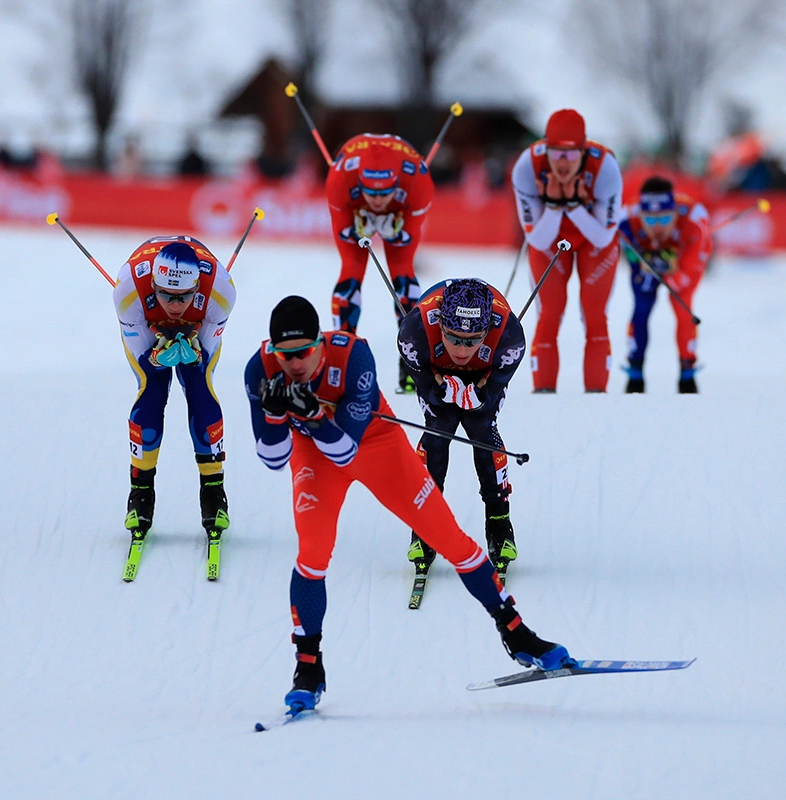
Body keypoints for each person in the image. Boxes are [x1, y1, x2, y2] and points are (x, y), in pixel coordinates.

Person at [244, 295, 570, 712]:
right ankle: (308, 668)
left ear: (320, 343)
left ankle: (518, 635)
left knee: (450, 538)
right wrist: (274, 416)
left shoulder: (352, 356)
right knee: (312, 552)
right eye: (285, 355)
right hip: (314, 456)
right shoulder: (260, 369)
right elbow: (272, 459)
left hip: (374, 445)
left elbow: (346, 449)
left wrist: (310, 416)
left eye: (304, 352)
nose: (294, 364)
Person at [396, 278, 526, 578]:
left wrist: (482, 396)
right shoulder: (414, 333)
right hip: (434, 370)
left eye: (472, 340)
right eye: (453, 337)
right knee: (439, 429)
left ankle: (499, 522)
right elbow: (426, 387)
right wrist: (436, 391)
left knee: (481, 429)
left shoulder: (509, 337)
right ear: (439, 324)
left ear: (488, 330)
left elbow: (493, 391)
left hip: (485, 374)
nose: (462, 349)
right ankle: (424, 524)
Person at [112, 236, 237, 544]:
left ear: (197, 288)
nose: (176, 306)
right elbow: (144, 358)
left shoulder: (221, 292)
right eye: (167, 295)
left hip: (200, 324)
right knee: (152, 387)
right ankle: (140, 493)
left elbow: (205, 350)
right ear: (153, 285)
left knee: (198, 384)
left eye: (185, 296)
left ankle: (213, 493)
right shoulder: (128, 293)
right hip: (145, 320)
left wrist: (195, 349)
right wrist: (155, 356)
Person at [511, 109, 623, 393]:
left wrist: (571, 205)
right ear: (544, 147)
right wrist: (553, 207)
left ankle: (596, 395)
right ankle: (544, 392)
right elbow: (536, 240)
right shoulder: (527, 166)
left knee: (594, 314)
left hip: (593, 241)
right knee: (550, 312)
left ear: (584, 152)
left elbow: (602, 236)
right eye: (556, 153)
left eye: (571, 155)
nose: (563, 162)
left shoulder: (605, 167)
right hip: (550, 242)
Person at [324, 133, 435, 392]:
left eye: (384, 193)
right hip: (353, 207)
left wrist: (396, 232)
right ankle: (343, 357)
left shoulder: (418, 179)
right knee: (351, 270)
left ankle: (412, 363)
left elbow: (411, 232)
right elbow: (341, 231)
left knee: (403, 275)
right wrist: (355, 230)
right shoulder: (340, 177)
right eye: (371, 193)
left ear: (395, 184)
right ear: (360, 183)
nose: (377, 201)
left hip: (401, 209)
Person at [618, 176, 713, 394]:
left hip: (682, 259)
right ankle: (635, 372)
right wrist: (646, 264)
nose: (657, 227)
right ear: (640, 215)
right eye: (650, 221)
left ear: (675, 213)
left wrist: (669, 269)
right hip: (647, 258)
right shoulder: (626, 221)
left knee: (682, 307)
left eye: (663, 220)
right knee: (642, 307)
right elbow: (631, 259)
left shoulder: (694, 221)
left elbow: (685, 277)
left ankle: (687, 374)